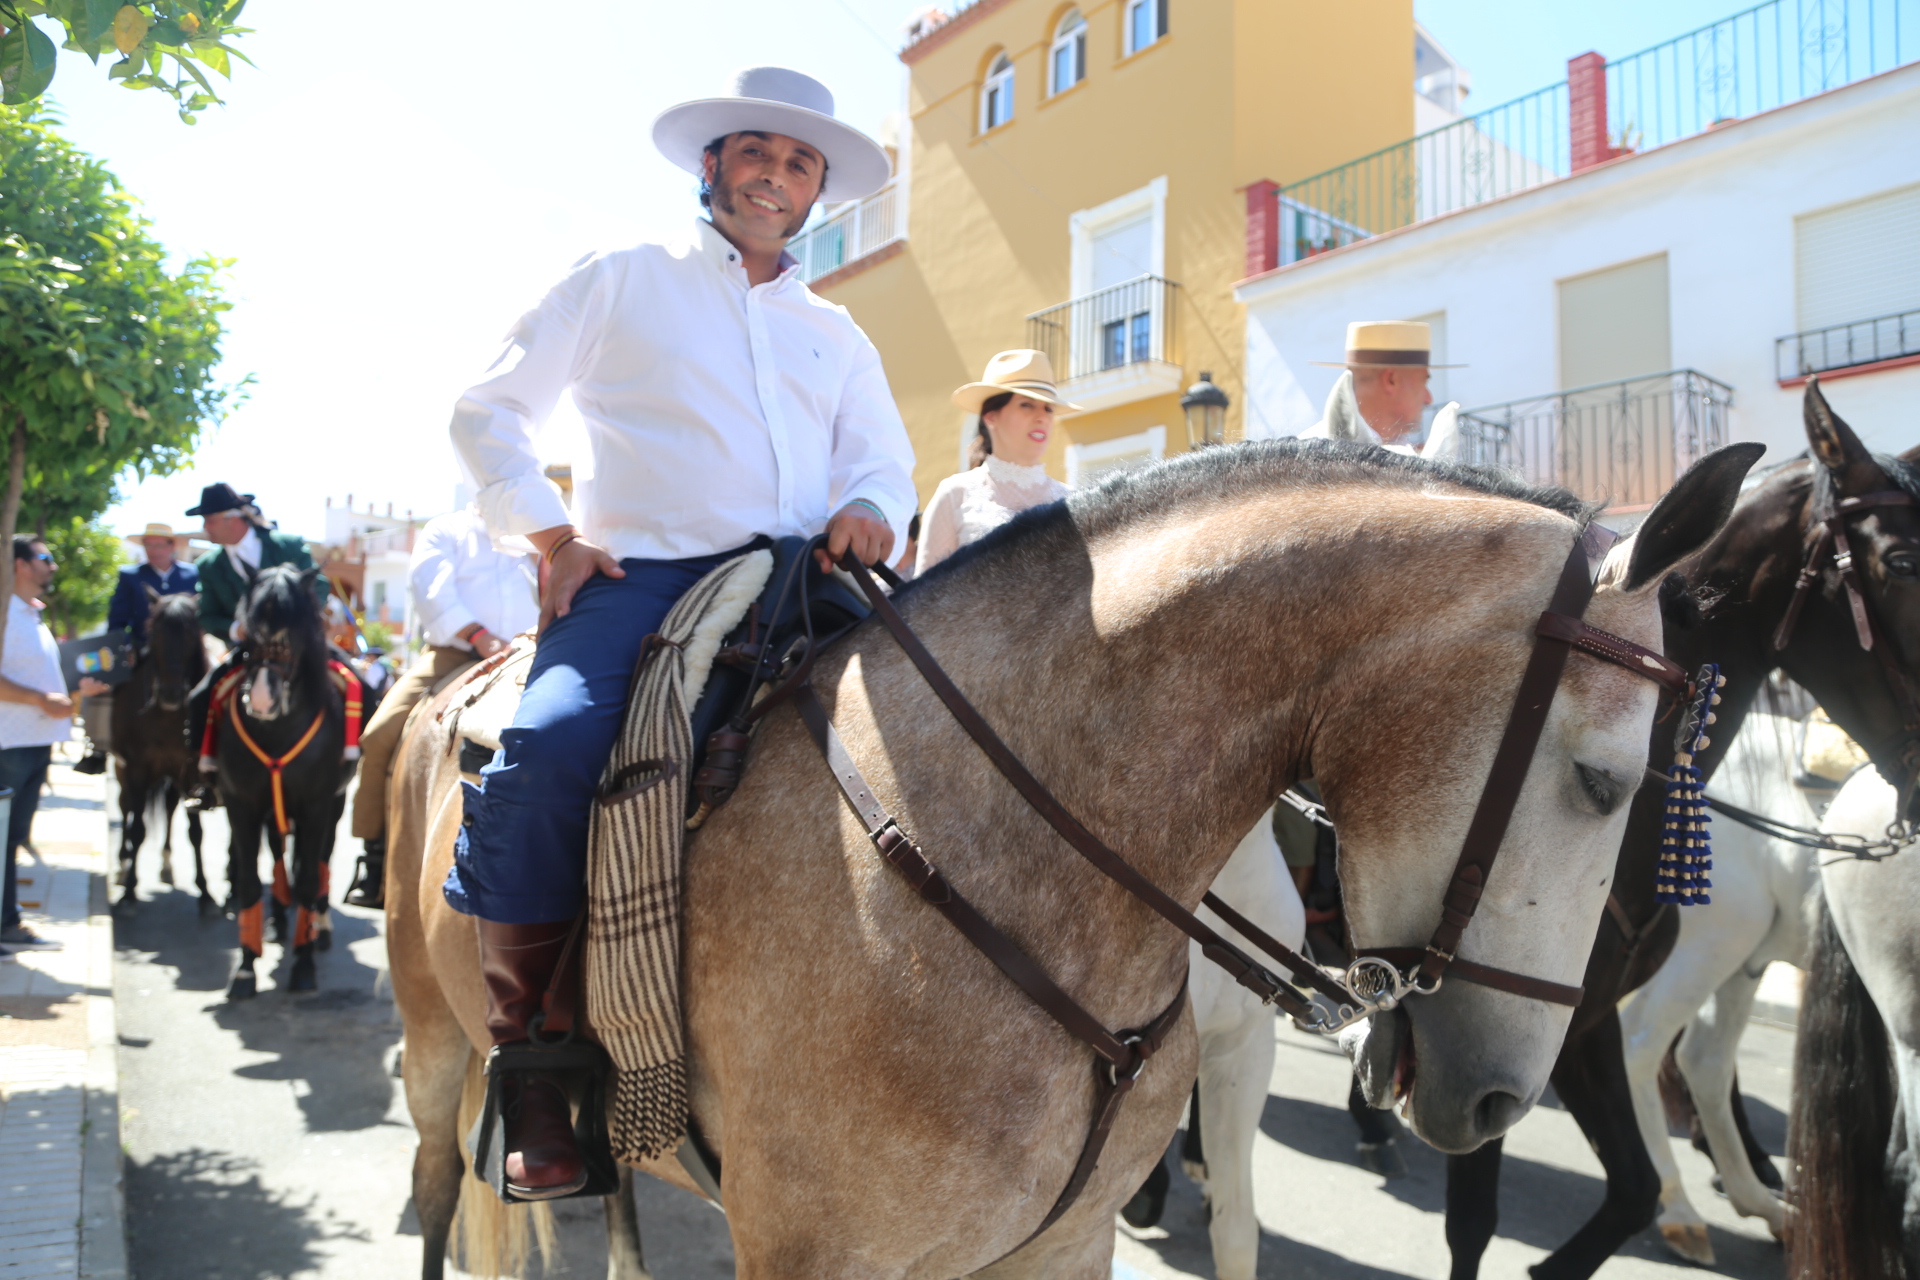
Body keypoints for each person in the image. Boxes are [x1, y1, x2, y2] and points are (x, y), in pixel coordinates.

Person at [445, 65, 913, 1200]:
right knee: (548, 750)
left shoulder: (837, 330)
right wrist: (551, 536)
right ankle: (537, 1067)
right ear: (713, 167)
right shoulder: (622, 279)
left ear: (816, 193)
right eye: (759, 152)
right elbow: (487, 412)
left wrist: (871, 509)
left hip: (808, 580)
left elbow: (883, 461)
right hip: (642, 580)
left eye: (802, 163)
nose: (779, 175)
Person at [343, 505, 539, 909]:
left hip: (530, 656)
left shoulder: (539, 533)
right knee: (381, 733)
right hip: (456, 654)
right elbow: (431, 589)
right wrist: (479, 635)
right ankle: (375, 857)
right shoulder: (447, 529)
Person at [183, 484, 326, 801]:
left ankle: (352, 759)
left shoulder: (287, 545)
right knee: (199, 697)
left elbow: (320, 588)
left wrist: (289, 622)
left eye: (208, 519)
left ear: (231, 518)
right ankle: (204, 776)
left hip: (299, 648)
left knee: (358, 685)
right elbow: (208, 615)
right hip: (249, 652)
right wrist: (237, 629)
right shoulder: (208, 565)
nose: (204, 527)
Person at [915, 349, 1076, 575]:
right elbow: (923, 600)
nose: (1042, 417)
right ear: (991, 416)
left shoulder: (1072, 501)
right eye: (1027, 405)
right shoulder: (955, 494)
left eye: (1048, 408)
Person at [73, 523, 200, 775]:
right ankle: (97, 748)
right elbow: (117, 619)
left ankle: (208, 753)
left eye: (158, 544)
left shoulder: (191, 575)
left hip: (185, 652)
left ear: (171, 546)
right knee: (102, 686)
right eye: (148, 544)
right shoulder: (131, 575)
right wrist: (124, 648)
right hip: (143, 648)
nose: (152, 550)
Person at [0, 537, 74, 958]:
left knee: (11, 838)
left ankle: (7, 922)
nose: (53, 567)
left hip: (33, 740)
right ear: (20, 564)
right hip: (8, 740)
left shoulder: (30, 614)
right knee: (2, 838)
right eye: (45, 559)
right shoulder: (4, 613)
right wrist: (40, 701)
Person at [1304, 320, 1464, 461]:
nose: (1429, 399)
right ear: (1391, 380)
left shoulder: (1409, 453)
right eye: (1423, 383)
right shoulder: (1308, 455)